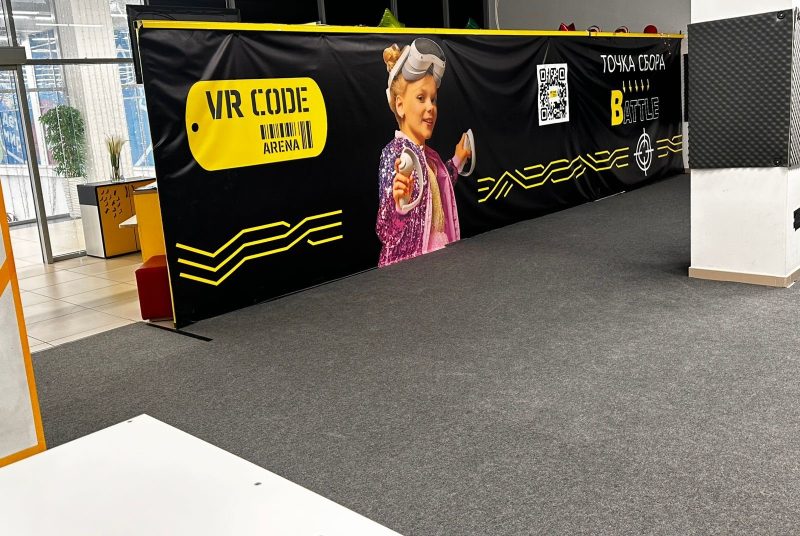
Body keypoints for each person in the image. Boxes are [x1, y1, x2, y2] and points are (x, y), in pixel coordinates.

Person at [376, 38, 472, 267]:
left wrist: (457, 160)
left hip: (439, 258)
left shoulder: (430, 157)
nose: (431, 107)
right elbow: (385, 230)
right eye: (421, 98)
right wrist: (398, 206)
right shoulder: (395, 154)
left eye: (433, 99)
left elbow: (439, 186)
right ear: (400, 105)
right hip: (413, 269)